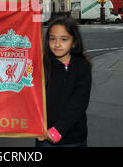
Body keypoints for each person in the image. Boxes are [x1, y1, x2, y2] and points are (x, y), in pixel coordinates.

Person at [36, 15, 92, 147]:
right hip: (44, 135)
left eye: (64, 39)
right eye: (52, 39)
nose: (57, 44)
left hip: (73, 138)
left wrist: (58, 130)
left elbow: (78, 103)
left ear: (74, 42)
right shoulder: (42, 65)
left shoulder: (82, 67)